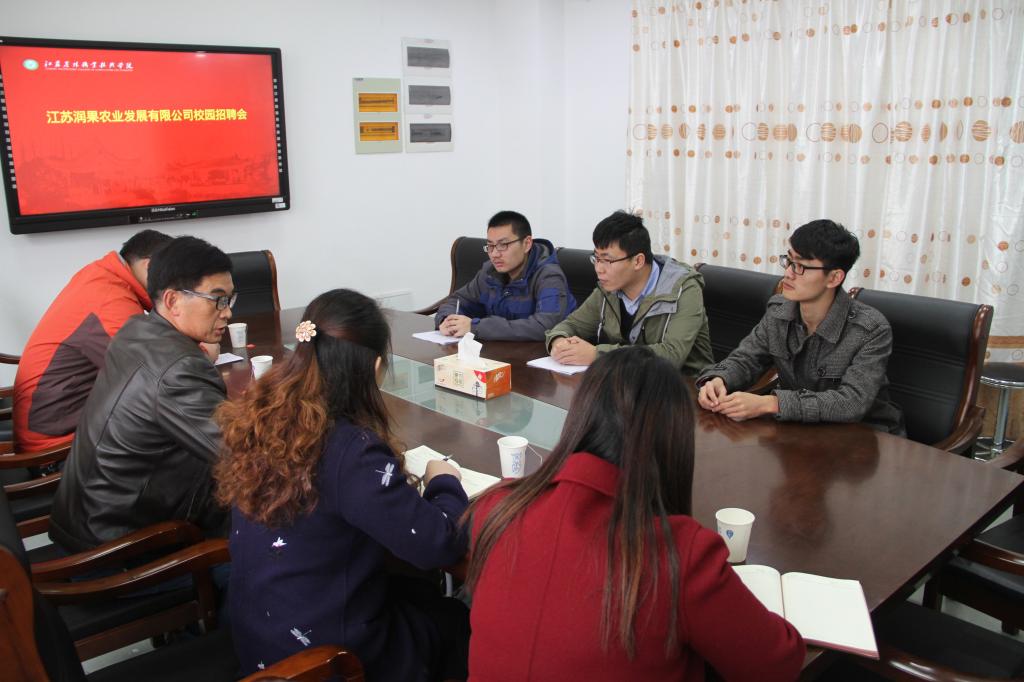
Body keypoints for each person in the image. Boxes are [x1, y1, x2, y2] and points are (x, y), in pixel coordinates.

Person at [465, 346, 805, 681]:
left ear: (579, 417)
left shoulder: (497, 507)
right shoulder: (680, 553)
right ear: (673, 440)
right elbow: (776, 664)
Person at [215, 289, 470, 681]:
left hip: (261, 641)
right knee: (457, 619)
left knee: (416, 592)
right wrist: (444, 481)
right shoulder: (350, 448)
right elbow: (438, 544)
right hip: (328, 661)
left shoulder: (262, 414)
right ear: (375, 367)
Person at [49, 236, 235, 553]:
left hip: (89, 523)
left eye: (230, 300)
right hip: (119, 551)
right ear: (173, 301)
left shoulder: (136, 329)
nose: (227, 313)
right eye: (217, 300)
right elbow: (243, 454)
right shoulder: (178, 369)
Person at [695, 219, 905, 434]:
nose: (788, 273)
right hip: (801, 430)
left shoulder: (870, 329)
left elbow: (851, 403)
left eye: (801, 266)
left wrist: (771, 403)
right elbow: (746, 359)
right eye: (789, 261)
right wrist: (719, 379)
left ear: (834, 277)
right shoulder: (778, 311)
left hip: (864, 436)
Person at [12, 229, 173, 453]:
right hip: (55, 448)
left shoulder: (100, 275)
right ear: (150, 267)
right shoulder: (111, 300)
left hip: (52, 424)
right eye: (174, 276)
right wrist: (204, 350)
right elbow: (157, 376)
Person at [544, 211, 713, 374]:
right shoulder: (608, 288)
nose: (599, 269)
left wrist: (597, 355)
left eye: (607, 260)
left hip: (683, 386)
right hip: (628, 382)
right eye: (596, 258)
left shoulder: (684, 288)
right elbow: (572, 325)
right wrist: (559, 342)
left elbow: (671, 355)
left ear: (638, 261)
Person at [435, 210, 576, 341]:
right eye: (490, 246)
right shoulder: (489, 272)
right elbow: (457, 300)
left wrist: (476, 327)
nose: (495, 254)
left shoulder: (549, 276)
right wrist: (447, 320)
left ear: (527, 244)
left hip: (538, 354)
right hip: (498, 351)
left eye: (503, 245)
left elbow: (545, 326)